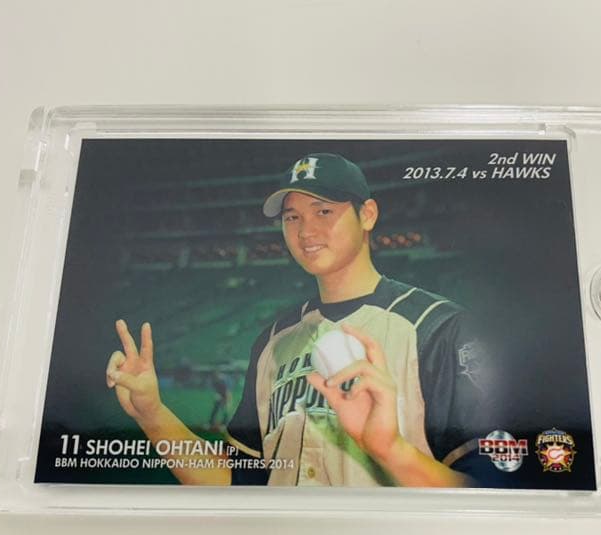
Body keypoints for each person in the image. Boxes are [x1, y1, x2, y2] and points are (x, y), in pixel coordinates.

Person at [106, 153, 489, 487]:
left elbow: (488, 492)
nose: (306, 231)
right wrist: (152, 412)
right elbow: (235, 483)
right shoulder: (273, 342)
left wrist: (391, 449)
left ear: (368, 214)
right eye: (292, 217)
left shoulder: (438, 329)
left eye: (324, 211)